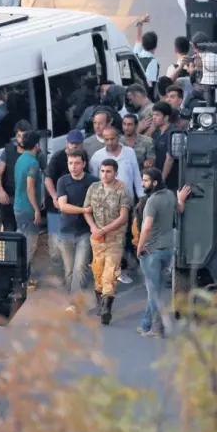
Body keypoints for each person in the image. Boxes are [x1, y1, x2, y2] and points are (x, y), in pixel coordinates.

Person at [136, 169, 191, 338]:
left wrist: (139, 247)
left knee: (153, 291)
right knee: (154, 289)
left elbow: (146, 227)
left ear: (154, 182)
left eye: (145, 180)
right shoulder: (169, 195)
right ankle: (146, 325)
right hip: (168, 250)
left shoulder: (152, 202)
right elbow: (180, 209)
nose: (142, 183)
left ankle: (157, 328)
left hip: (151, 250)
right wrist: (181, 199)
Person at [89, 126, 144, 284]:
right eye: (106, 139)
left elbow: (136, 175)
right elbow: (94, 180)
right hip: (106, 205)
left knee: (126, 235)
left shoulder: (129, 153)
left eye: (112, 138)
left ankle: (122, 268)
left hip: (127, 202)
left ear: (118, 137)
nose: (110, 142)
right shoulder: (97, 157)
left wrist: (141, 196)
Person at [83, 159, 130, 325]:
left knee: (109, 274)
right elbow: (87, 210)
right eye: (102, 171)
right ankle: (100, 303)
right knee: (98, 271)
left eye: (108, 171)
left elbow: (123, 217)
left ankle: (106, 309)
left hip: (114, 239)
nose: (105, 174)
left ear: (115, 173)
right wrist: (94, 228)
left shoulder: (121, 191)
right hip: (97, 238)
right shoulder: (94, 188)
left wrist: (104, 230)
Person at [56, 149, 97, 314]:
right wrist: (84, 210)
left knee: (80, 267)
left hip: (84, 232)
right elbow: (63, 206)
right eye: (70, 163)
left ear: (84, 164)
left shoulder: (93, 182)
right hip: (65, 231)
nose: (73, 166)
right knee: (69, 270)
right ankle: (71, 299)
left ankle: (74, 303)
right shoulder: (62, 181)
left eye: (77, 163)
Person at [44, 130, 86, 269]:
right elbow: (48, 179)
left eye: (77, 144)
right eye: (72, 143)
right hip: (56, 206)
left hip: (74, 207)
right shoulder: (58, 157)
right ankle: (57, 268)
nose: (74, 146)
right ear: (67, 143)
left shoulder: (84, 158)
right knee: (55, 241)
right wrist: (54, 196)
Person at [0, 120, 47, 232]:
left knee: (27, 236)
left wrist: (42, 196)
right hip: (10, 198)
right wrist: (0, 191)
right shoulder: (9, 151)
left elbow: (45, 176)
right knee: (9, 233)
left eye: (25, 136)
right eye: (19, 136)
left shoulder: (37, 154)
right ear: (15, 136)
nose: (22, 139)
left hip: (28, 202)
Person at [13, 130, 43, 291]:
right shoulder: (32, 162)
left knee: (21, 242)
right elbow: (30, 186)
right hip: (27, 209)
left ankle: (22, 277)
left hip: (18, 206)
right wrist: (36, 209)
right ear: (37, 145)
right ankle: (21, 280)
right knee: (30, 246)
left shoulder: (20, 159)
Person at [150, 102, 178, 192]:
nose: (154, 117)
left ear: (166, 117)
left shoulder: (173, 132)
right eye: (153, 115)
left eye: (157, 115)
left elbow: (169, 159)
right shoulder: (156, 132)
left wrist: (162, 180)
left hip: (171, 181)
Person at [133, 14, 160, 91]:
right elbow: (150, 84)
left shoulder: (137, 54)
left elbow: (138, 39)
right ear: (155, 46)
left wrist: (140, 23)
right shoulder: (152, 62)